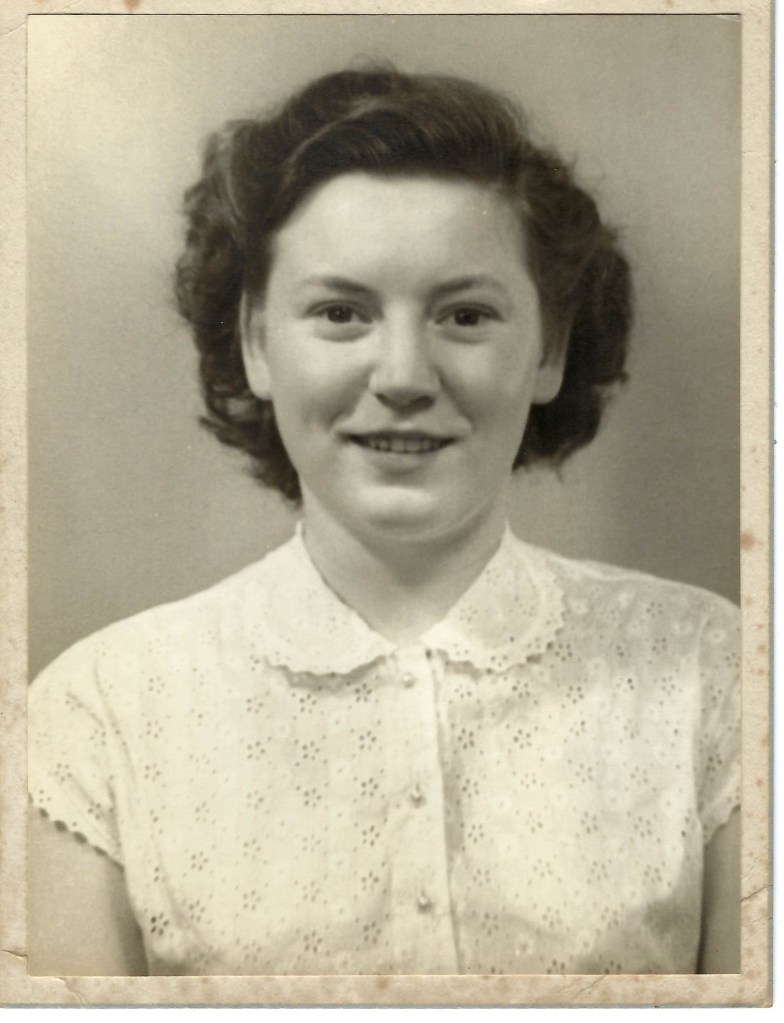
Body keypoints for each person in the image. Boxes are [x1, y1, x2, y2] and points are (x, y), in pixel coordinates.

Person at [28, 66, 740, 977]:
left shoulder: (717, 675)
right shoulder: (98, 714)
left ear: (551, 348)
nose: (403, 375)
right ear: (256, 342)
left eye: (465, 315)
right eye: (341, 312)